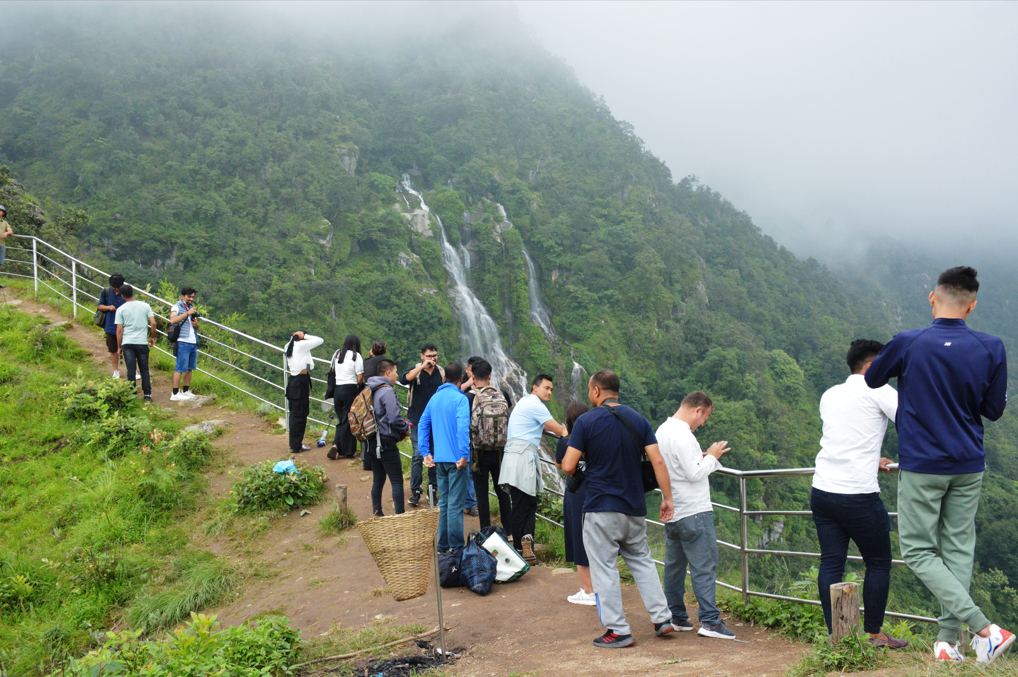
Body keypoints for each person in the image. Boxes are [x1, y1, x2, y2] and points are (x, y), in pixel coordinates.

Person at [866, 266, 1011, 664]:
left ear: (933, 298)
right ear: (973, 305)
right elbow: (993, 410)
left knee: (917, 550)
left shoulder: (909, 342)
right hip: (968, 462)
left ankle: (987, 630)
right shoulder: (991, 346)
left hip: (923, 464)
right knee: (958, 549)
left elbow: (874, 379)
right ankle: (948, 642)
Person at [561, 370, 675, 648]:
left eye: (590, 390)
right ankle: (662, 619)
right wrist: (667, 498)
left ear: (597, 391)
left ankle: (618, 630)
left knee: (604, 568)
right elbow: (658, 462)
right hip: (634, 508)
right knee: (643, 562)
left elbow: (567, 465)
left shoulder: (585, 422)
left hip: (601, 507)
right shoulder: (639, 419)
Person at [810, 341, 907, 648]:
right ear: (870, 366)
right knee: (878, 562)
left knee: (831, 564)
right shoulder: (879, 389)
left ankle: (837, 636)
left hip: (822, 489)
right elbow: (912, 421)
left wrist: (871, 458)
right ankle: (873, 634)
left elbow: (847, 434)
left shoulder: (830, 394)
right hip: (857, 494)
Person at [657, 391, 735, 639]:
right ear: (697, 410)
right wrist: (712, 456)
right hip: (694, 511)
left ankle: (677, 616)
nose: (703, 424)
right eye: (705, 417)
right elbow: (694, 474)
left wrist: (700, 458)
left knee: (674, 567)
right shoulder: (685, 436)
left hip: (673, 510)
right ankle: (710, 621)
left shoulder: (662, 431)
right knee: (704, 566)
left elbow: (673, 465)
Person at [500, 374, 568, 564]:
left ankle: (526, 542)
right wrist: (569, 432)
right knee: (522, 505)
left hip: (516, 456)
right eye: (546, 388)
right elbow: (559, 430)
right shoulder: (536, 405)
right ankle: (520, 549)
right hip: (522, 457)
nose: (549, 392)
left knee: (527, 503)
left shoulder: (524, 402)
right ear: (535, 388)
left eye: (551, 389)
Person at [419, 363, 470, 552]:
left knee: (444, 503)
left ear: (444, 378)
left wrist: (426, 452)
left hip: (439, 459)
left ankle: (442, 546)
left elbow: (422, 424)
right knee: (456, 505)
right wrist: (464, 454)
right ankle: (456, 548)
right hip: (457, 461)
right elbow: (463, 427)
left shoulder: (434, 399)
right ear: (461, 379)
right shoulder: (461, 399)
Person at [556, 401, 593, 606]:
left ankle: (588, 592)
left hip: (576, 492)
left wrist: (564, 438)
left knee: (579, 540)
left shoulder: (567, 442)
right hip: (596, 492)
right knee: (597, 540)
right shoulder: (596, 440)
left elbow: (561, 465)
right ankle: (599, 589)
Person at [469, 359, 512, 533]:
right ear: (490, 376)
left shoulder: (470, 397)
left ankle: (486, 532)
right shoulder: (502, 393)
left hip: (479, 452)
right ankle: (509, 531)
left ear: (472, 376)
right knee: (502, 491)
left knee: (482, 493)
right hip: (500, 451)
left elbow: (468, 426)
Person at [399, 343, 444, 506]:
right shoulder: (415, 370)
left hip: (437, 420)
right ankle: (416, 491)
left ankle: (432, 491)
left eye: (435, 356)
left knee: (434, 455)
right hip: (417, 419)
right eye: (429, 356)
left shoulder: (441, 372)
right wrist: (422, 367)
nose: (433, 359)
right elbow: (403, 379)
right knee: (418, 455)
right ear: (422, 356)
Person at [366, 359, 410, 516]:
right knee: (397, 480)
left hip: (372, 439)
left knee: (378, 480)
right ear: (388, 373)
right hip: (385, 442)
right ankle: (400, 515)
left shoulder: (372, 389)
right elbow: (394, 418)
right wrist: (405, 427)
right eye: (396, 371)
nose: (397, 375)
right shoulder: (388, 391)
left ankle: (377, 514)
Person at [113, 284, 156, 403]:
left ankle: (131, 394)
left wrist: (119, 346)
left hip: (128, 343)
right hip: (142, 342)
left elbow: (119, 330)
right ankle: (147, 395)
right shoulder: (145, 306)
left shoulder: (121, 309)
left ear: (122, 296)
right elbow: (153, 323)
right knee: (144, 369)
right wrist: (152, 337)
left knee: (131, 369)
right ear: (133, 293)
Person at [284, 330, 323, 454]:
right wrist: (305, 336)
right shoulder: (300, 345)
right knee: (300, 414)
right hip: (300, 383)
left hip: (293, 381)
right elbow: (319, 340)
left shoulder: (289, 345)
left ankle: (295, 444)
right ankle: (296, 446)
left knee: (295, 414)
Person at [327, 334, 363, 460]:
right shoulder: (356, 356)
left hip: (338, 389)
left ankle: (336, 444)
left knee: (342, 419)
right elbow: (360, 377)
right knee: (349, 420)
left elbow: (333, 371)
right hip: (350, 389)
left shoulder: (337, 354)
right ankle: (346, 452)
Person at [169, 287, 200, 402]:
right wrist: (187, 313)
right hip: (183, 340)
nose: (191, 299)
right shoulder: (177, 306)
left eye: (192, 297)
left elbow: (196, 328)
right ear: (183, 296)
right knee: (180, 367)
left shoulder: (191, 308)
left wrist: (195, 323)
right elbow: (172, 320)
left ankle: (186, 390)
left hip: (192, 341)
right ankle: (175, 392)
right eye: (189, 297)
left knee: (190, 368)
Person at [96, 274, 128, 378]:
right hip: (110, 325)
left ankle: (132, 369)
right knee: (112, 349)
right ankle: (116, 370)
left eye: (118, 288)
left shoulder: (126, 292)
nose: (116, 289)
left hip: (125, 326)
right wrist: (109, 307)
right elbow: (100, 306)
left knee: (128, 348)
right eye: (115, 287)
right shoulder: (106, 292)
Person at [0, 205, 11, 288]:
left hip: (1, 245)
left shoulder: (5, 222)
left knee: (0, 265)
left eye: (1, 211)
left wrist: (6, 233)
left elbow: (10, 231)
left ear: (3, 213)